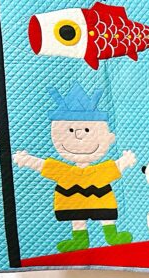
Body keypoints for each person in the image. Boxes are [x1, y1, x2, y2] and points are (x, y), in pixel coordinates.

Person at [13, 83, 135, 253]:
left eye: (87, 130)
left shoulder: (97, 170)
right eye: (71, 130)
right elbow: (43, 165)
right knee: (78, 219)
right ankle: (80, 240)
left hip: (99, 199)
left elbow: (116, 166)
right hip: (77, 200)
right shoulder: (66, 170)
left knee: (105, 215)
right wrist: (26, 160)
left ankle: (111, 236)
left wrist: (125, 160)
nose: (79, 135)